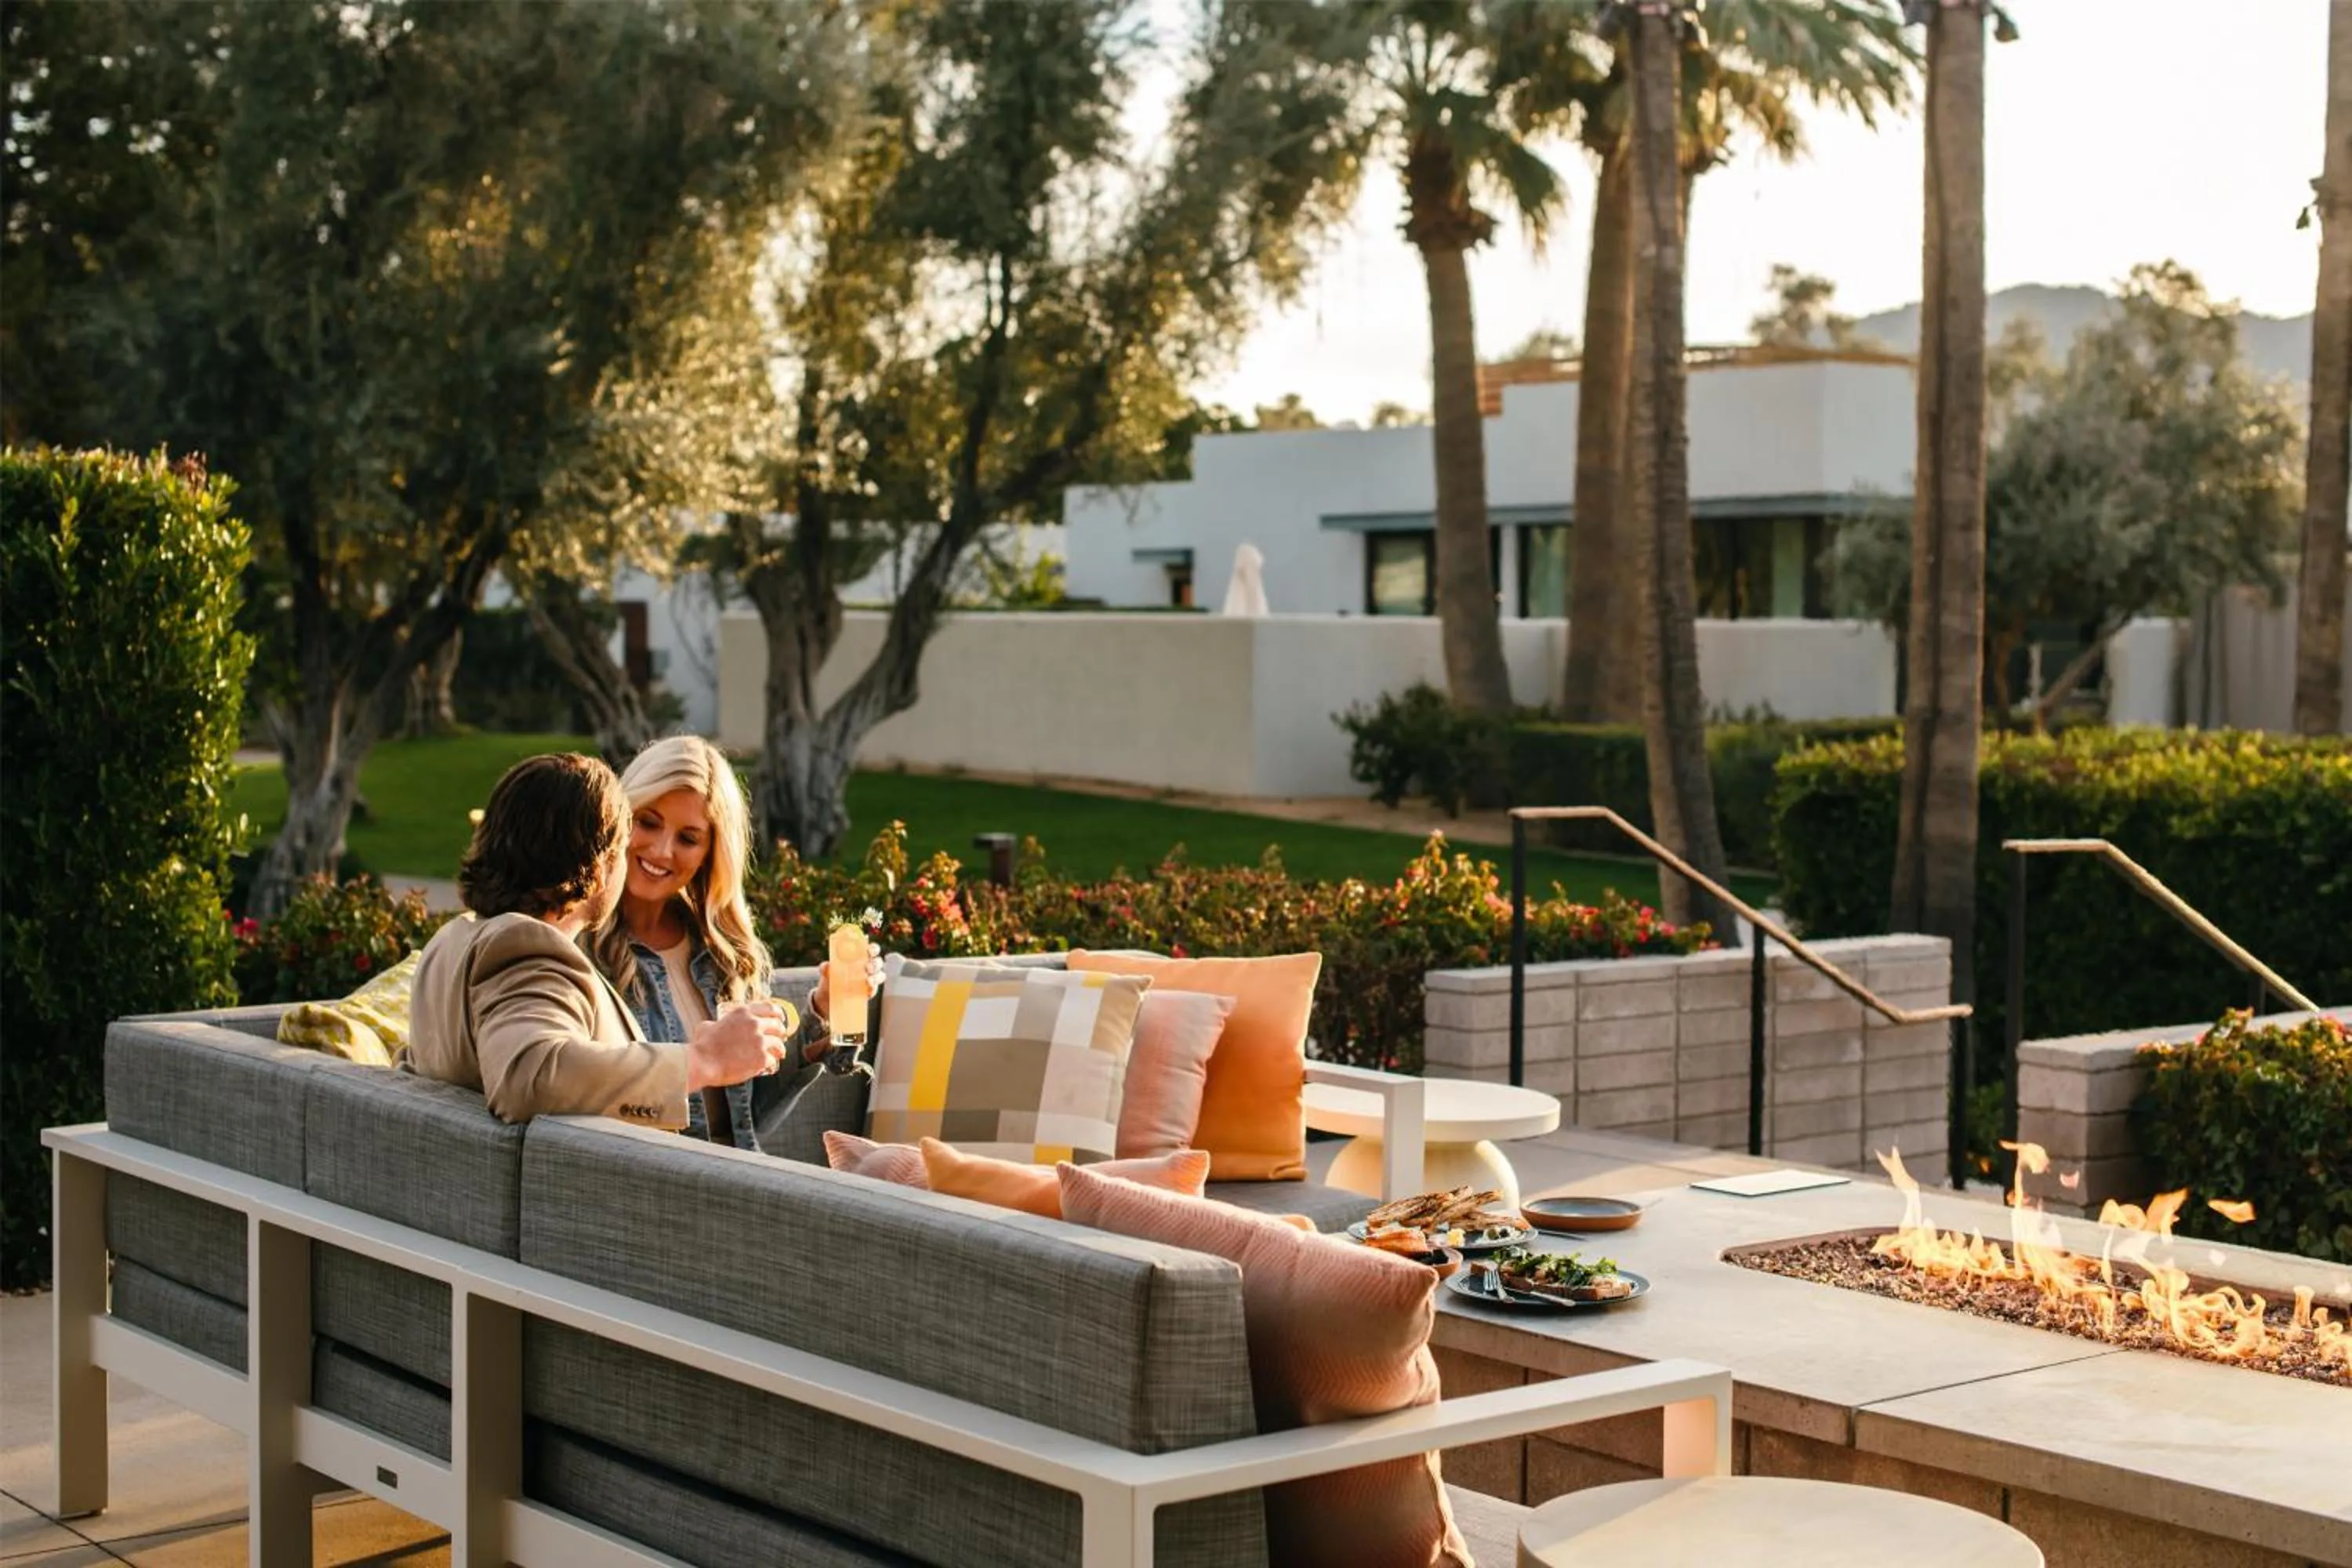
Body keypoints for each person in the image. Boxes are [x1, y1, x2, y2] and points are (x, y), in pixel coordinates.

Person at [408, 752, 791, 1126]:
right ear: (599, 865)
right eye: (626, 843)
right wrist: (702, 1060)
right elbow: (529, 1078)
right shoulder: (527, 948)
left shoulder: (449, 943)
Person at [592, 735, 869, 1148]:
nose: (663, 851)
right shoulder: (583, 950)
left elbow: (749, 1119)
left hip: (738, 1176)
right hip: (646, 1177)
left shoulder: (724, 953)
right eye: (648, 822)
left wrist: (825, 1009)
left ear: (710, 852)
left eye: (688, 838)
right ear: (620, 817)